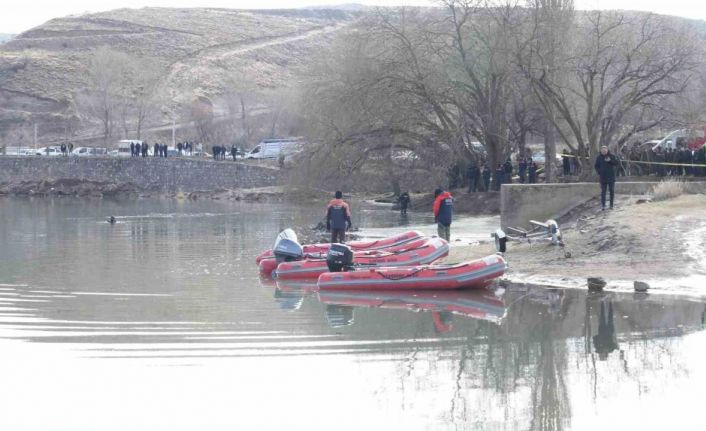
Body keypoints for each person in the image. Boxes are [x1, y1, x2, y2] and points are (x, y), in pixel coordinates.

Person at [594, 145, 618, 210]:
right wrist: (599, 172)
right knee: (603, 192)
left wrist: (610, 161)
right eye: (602, 150)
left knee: (611, 191)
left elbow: (616, 163)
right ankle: (603, 206)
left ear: (607, 150)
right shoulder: (599, 157)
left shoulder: (612, 156)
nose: (604, 151)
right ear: (601, 151)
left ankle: (611, 205)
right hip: (603, 178)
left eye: (605, 150)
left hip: (611, 177)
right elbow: (596, 166)